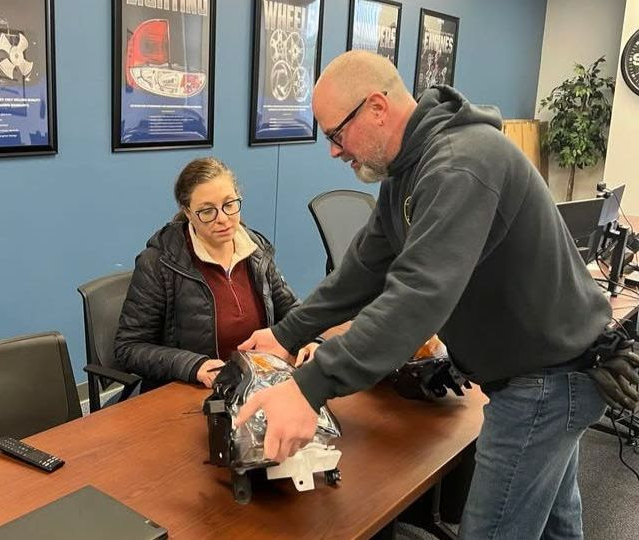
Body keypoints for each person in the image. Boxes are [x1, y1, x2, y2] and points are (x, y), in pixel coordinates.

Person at [235, 50, 614, 539]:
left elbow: (417, 296)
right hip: (543, 372)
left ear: (376, 108)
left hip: (543, 380)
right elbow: (363, 272)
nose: (333, 150)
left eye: (335, 134)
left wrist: (310, 387)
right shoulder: (407, 173)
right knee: (557, 529)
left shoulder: (459, 165)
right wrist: (284, 335)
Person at [114, 157, 309, 391]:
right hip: (190, 390)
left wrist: (310, 340)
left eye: (229, 204)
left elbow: (292, 310)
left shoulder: (254, 249)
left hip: (256, 382)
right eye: (207, 211)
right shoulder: (159, 262)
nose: (223, 219)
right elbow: (129, 347)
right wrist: (195, 365)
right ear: (188, 212)